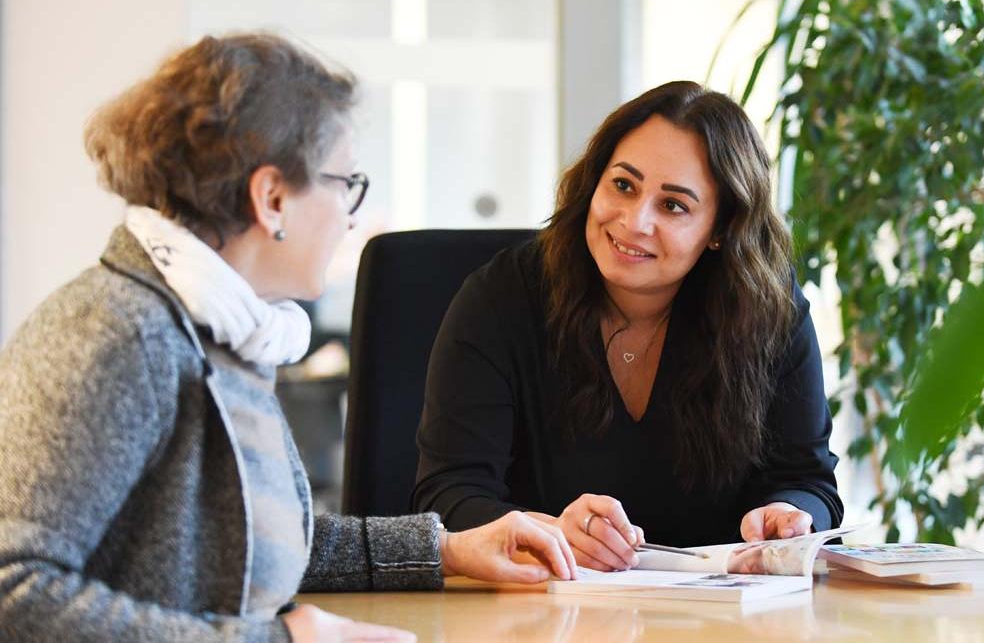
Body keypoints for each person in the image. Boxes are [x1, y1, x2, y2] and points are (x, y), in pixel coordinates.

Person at [0, 33, 574, 643]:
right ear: (272, 198)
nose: (350, 214)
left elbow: (252, 540)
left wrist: (448, 550)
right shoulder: (120, 333)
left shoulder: (223, 331)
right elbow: (13, 591)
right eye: (344, 183)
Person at [413, 81, 843, 572]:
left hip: (713, 621)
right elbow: (447, 495)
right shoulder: (501, 298)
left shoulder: (769, 310)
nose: (634, 221)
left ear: (721, 231)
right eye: (623, 185)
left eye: (673, 205)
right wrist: (549, 530)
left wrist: (790, 517)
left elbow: (810, 482)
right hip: (541, 611)